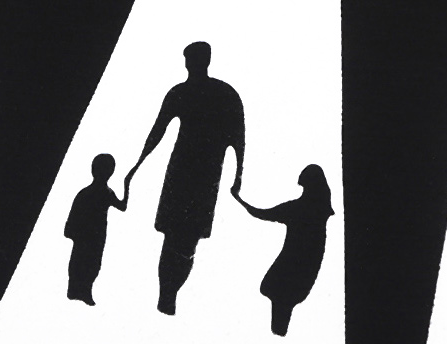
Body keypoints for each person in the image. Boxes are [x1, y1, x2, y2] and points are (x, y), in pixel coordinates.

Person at [125, 41, 245, 315]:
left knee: (185, 238)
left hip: (201, 175)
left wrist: (238, 176)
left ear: (198, 61)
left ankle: (169, 293)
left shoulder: (222, 94)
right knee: (176, 236)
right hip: (187, 173)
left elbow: (238, 138)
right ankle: (166, 294)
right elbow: (157, 131)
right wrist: (138, 164)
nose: (190, 64)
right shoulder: (186, 93)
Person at [234, 164, 335, 336]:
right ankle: (279, 332)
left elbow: (262, 213)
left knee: (280, 298)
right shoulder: (319, 210)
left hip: (291, 267)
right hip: (307, 269)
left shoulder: (298, 208)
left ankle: (278, 332)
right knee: (283, 302)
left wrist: (239, 199)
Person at [63, 153, 127, 306]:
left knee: (93, 263)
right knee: (80, 261)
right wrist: (73, 231)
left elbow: (122, 206)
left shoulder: (107, 192)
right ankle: (74, 290)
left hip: (97, 235)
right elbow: (73, 215)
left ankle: (85, 291)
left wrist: (127, 185)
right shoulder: (86, 193)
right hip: (86, 234)